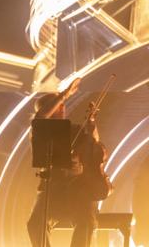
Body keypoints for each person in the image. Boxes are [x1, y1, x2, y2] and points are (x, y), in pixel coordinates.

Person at [27, 81, 112, 247]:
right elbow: (40, 118)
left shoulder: (74, 130)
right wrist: (63, 95)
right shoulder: (39, 132)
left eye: (62, 105)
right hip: (51, 190)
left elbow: (94, 144)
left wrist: (92, 124)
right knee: (35, 224)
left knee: (86, 221)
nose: (62, 108)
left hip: (78, 188)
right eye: (58, 106)